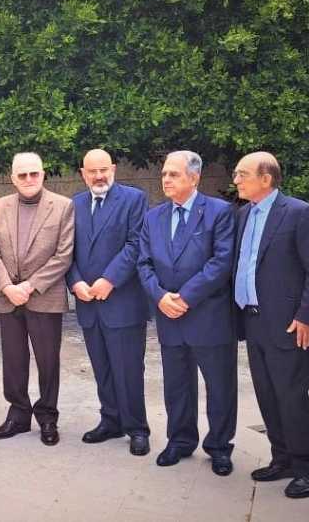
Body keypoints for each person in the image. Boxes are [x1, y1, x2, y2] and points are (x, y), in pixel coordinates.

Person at [232, 152, 309, 498]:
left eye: (242, 174)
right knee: (267, 394)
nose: (236, 180)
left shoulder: (300, 213)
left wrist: (307, 317)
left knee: (291, 396)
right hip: (253, 320)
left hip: (289, 324)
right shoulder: (244, 214)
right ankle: (282, 458)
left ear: (266, 178)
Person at [137, 150, 237, 476]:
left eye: (174, 174)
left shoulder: (219, 212)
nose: (166, 179)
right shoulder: (153, 217)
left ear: (194, 178)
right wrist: (160, 296)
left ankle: (219, 446)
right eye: (164, 174)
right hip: (169, 315)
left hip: (208, 315)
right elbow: (143, 263)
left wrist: (185, 298)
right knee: (176, 384)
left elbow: (221, 262)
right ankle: (180, 441)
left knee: (219, 385)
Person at [66, 148, 151, 455]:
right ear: (83, 173)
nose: (99, 176)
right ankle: (111, 420)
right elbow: (66, 249)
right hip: (88, 302)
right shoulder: (74, 204)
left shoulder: (134, 199)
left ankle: (137, 428)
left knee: (128, 369)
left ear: (113, 169)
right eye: (92, 171)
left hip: (122, 301)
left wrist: (109, 279)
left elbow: (135, 243)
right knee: (101, 367)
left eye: (104, 169)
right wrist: (75, 281)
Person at [0, 152, 74, 446]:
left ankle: (48, 416)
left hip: (44, 296)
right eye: (22, 175)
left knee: (48, 360)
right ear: (12, 178)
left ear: (43, 174)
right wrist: (6, 286)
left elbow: (63, 255)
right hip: (8, 297)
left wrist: (30, 286)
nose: (28, 179)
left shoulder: (63, 206)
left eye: (33, 173)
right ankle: (18, 415)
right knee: (13, 359)